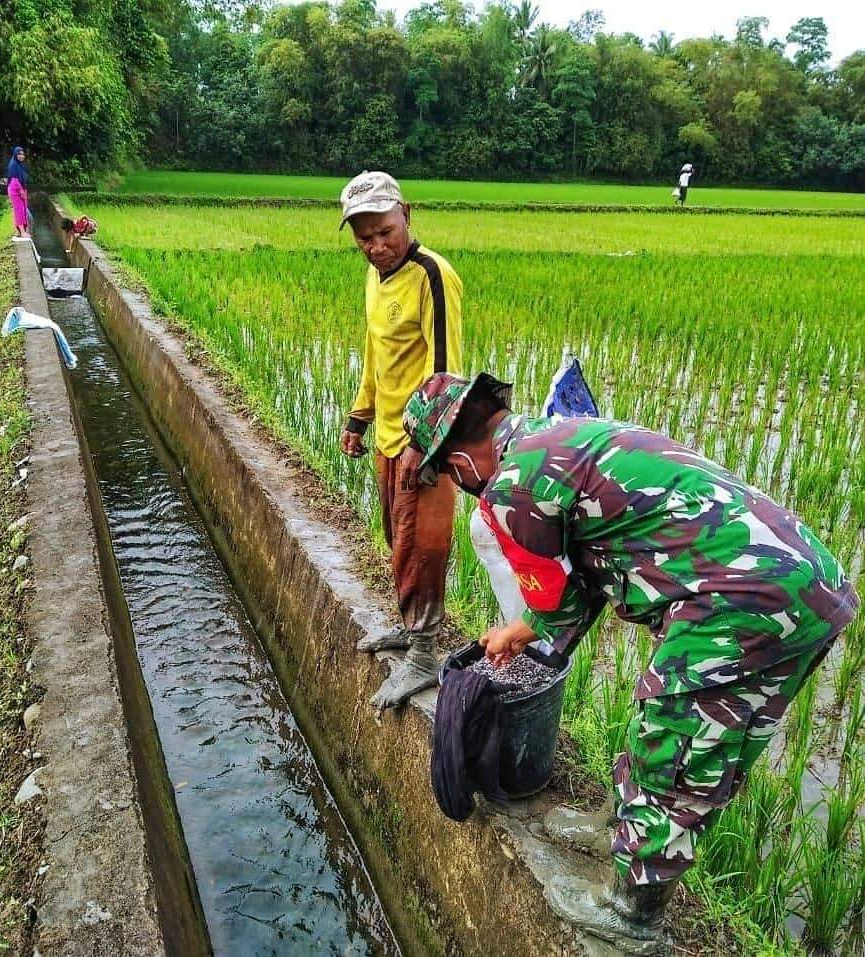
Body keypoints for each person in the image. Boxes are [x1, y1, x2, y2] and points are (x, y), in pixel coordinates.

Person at [402, 372, 858, 949]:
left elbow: (552, 598)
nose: (451, 480)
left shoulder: (512, 487)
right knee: (716, 745)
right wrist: (523, 630)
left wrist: (523, 626)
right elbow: (582, 582)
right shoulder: (563, 435)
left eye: (444, 469)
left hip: (739, 599)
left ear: (458, 459)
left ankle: (633, 915)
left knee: (671, 740)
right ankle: (628, 832)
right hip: (809, 585)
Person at [338, 171, 463, 710]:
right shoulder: (375, 275)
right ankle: (408, 626)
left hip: (425, 443)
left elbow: (446, 372)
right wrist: (359, 417)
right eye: (364, 237)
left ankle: (425, 654)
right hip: (389, 437)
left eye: (385, 231)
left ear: (406, 215)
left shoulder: (433, 275)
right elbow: (376, 354)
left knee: (424, 546)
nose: (377, 246)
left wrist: (422, 442)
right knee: (398, 537)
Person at [6, 146, 30, 241]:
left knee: (23, 210)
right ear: (15, 155)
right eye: (19, 154)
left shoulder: (20, 165)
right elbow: (15, 180)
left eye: (23, 154)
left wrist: (24, 191)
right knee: (19, 210)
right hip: (15, 191)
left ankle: (21, 231)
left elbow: (22, 178)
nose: (21, 156)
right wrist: (21, 191)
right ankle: (22, 232)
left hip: (22, 189)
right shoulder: (13, 165)